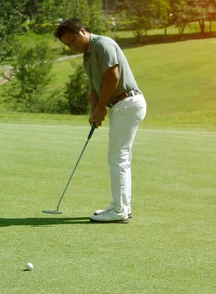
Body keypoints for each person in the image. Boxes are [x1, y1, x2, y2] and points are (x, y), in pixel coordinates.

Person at [55, 18, 147, 223]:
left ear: (82, 30)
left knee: (118, 157)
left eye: (73, 40)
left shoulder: (102, 44)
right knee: (121, 157)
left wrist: (100, 107)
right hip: (120, 105)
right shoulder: (87, 57)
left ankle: (118, 210)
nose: (72, 46)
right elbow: (93, 89)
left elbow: (112, 76)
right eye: (68, 45)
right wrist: (94, 112)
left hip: (127, 102)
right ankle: (123, 206)